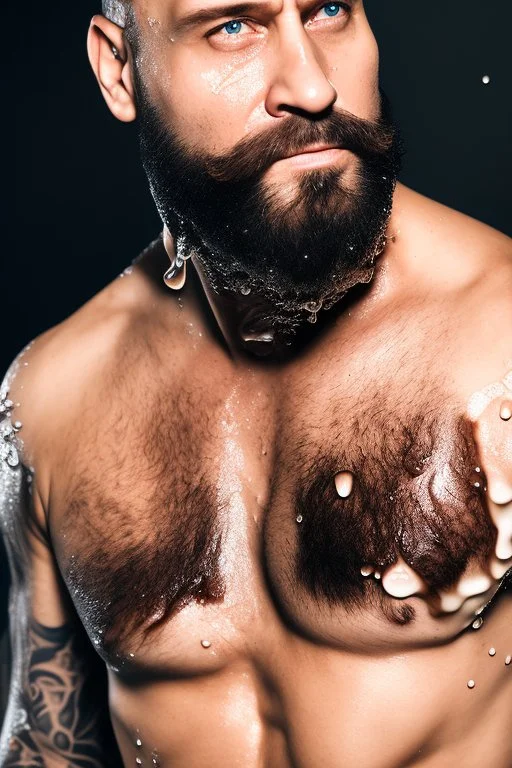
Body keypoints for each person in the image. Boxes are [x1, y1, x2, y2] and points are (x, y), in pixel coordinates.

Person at [1, 0, 511, 765]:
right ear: (118, 69)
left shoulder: (498, 334)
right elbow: (44, 743)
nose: (310, 86)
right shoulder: (52, 398)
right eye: (232, 25)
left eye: (330, 10)